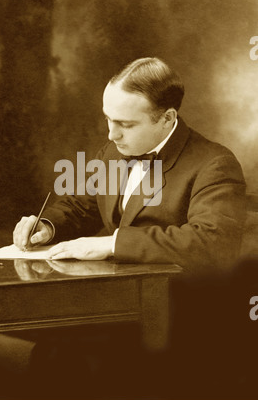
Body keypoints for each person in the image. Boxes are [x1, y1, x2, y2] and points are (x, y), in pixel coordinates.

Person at [13, 57, 246, 275]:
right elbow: (84, 206)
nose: (112, 134)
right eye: (108, 119)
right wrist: (47, 226)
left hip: (180, 299)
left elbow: (212, 244)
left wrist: (113, 244)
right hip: (121, 289)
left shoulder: (215, 164)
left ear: (167, 118)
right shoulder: (114, 150)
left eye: (126, 124)